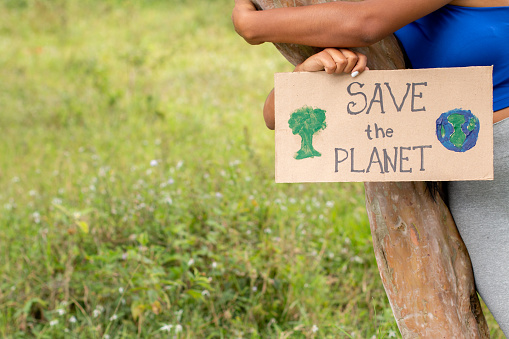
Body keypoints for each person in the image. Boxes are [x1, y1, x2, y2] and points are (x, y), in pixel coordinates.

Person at [232, 0, 509, 334]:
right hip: (479, 192)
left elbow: (363, 24)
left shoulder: (365, 17)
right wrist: (310, 70)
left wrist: (251, 25)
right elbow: (276, 116)